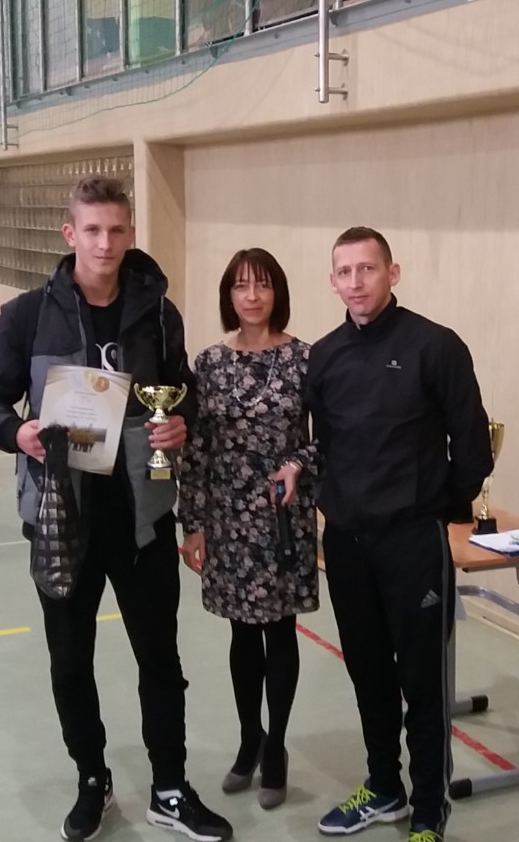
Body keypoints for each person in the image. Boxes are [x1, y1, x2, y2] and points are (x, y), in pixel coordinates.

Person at [0, 176, 232, 842]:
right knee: (70, 663)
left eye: (115, 230)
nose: (105, 243)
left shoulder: (159, 313)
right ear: (70, 234)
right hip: (63, 518)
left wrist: (181, 422)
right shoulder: (28, 315)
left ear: (130, 233)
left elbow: (182, 390)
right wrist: (17, 432)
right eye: (92, 230)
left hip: (142, 517)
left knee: (160, 660)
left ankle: (169, 788)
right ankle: (92, 779)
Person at [302, 227, 492, 842]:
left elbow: (471, 444)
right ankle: (384, 786)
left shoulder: (435, 346)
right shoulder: (324, 355)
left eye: (368, 268)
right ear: (332, 282)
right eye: (345, 272)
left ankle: (430, 807)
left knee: (421, 679)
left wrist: (442, 508)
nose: (356, 282)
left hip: (413, 541)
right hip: (347, 543)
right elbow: (324, 444)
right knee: (367, 671)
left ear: (393, 272)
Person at [178, 248, 320, 811]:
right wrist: (192, 523)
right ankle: (248, 739)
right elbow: (197, 449)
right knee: (241, 634)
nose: (252, 296)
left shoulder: (305, 359)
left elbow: (328, 436)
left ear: (277, 292)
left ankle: (277, 747)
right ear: (229, 296)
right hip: (228, 518)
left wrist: (299, 464)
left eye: (262, 285)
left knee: (280, 632)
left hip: (283, 516)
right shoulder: (210, 363)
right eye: (241, 286)